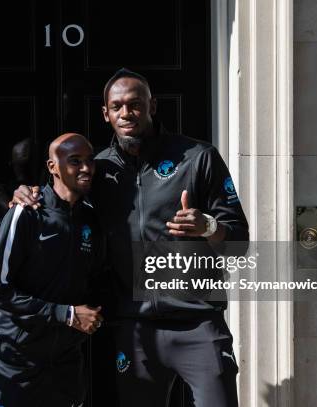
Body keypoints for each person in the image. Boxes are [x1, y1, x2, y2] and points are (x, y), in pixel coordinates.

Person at [13, 69, 249, 407]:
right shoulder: (97, 170)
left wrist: (207, 226)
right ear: (105, 113)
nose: (127, 114)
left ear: (152, 106)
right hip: (134, 328)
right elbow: (57, 203)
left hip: (198, 323)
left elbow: (239, 241)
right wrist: (22, 193)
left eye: (135, 105)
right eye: (117, 106)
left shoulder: (198, 158)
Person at [0, 133, 105, 407]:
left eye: (89, 161)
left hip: (66, 364)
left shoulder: (91, 218)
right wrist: (67, 314)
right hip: (18, 361)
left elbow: (96, 280)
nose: (86, 168)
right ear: (53, 167)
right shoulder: (27, 213)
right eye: (75, 161)